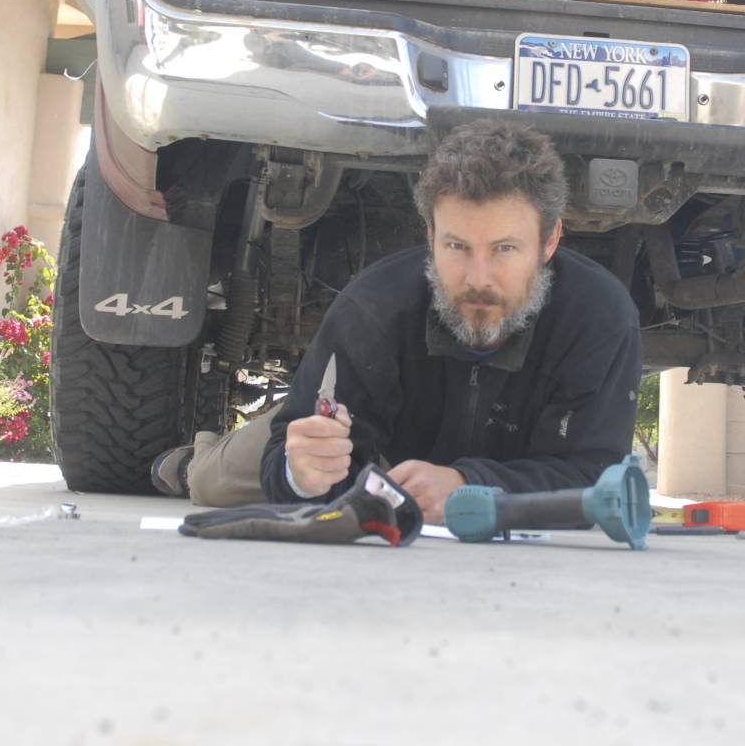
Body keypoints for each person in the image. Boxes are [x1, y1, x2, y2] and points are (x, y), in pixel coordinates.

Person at [152, 119, 643, 525]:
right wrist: (303, 470)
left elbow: (595, 472)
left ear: (550, 241)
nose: (478, 278)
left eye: (504, 249)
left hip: (515, 470)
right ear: (430, 236)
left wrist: (470, 486)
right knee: (212, 485)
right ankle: (194, 458)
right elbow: (294, 471)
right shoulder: (372, 307)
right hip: (383, 458)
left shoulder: (601, 317)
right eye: (457, 246)